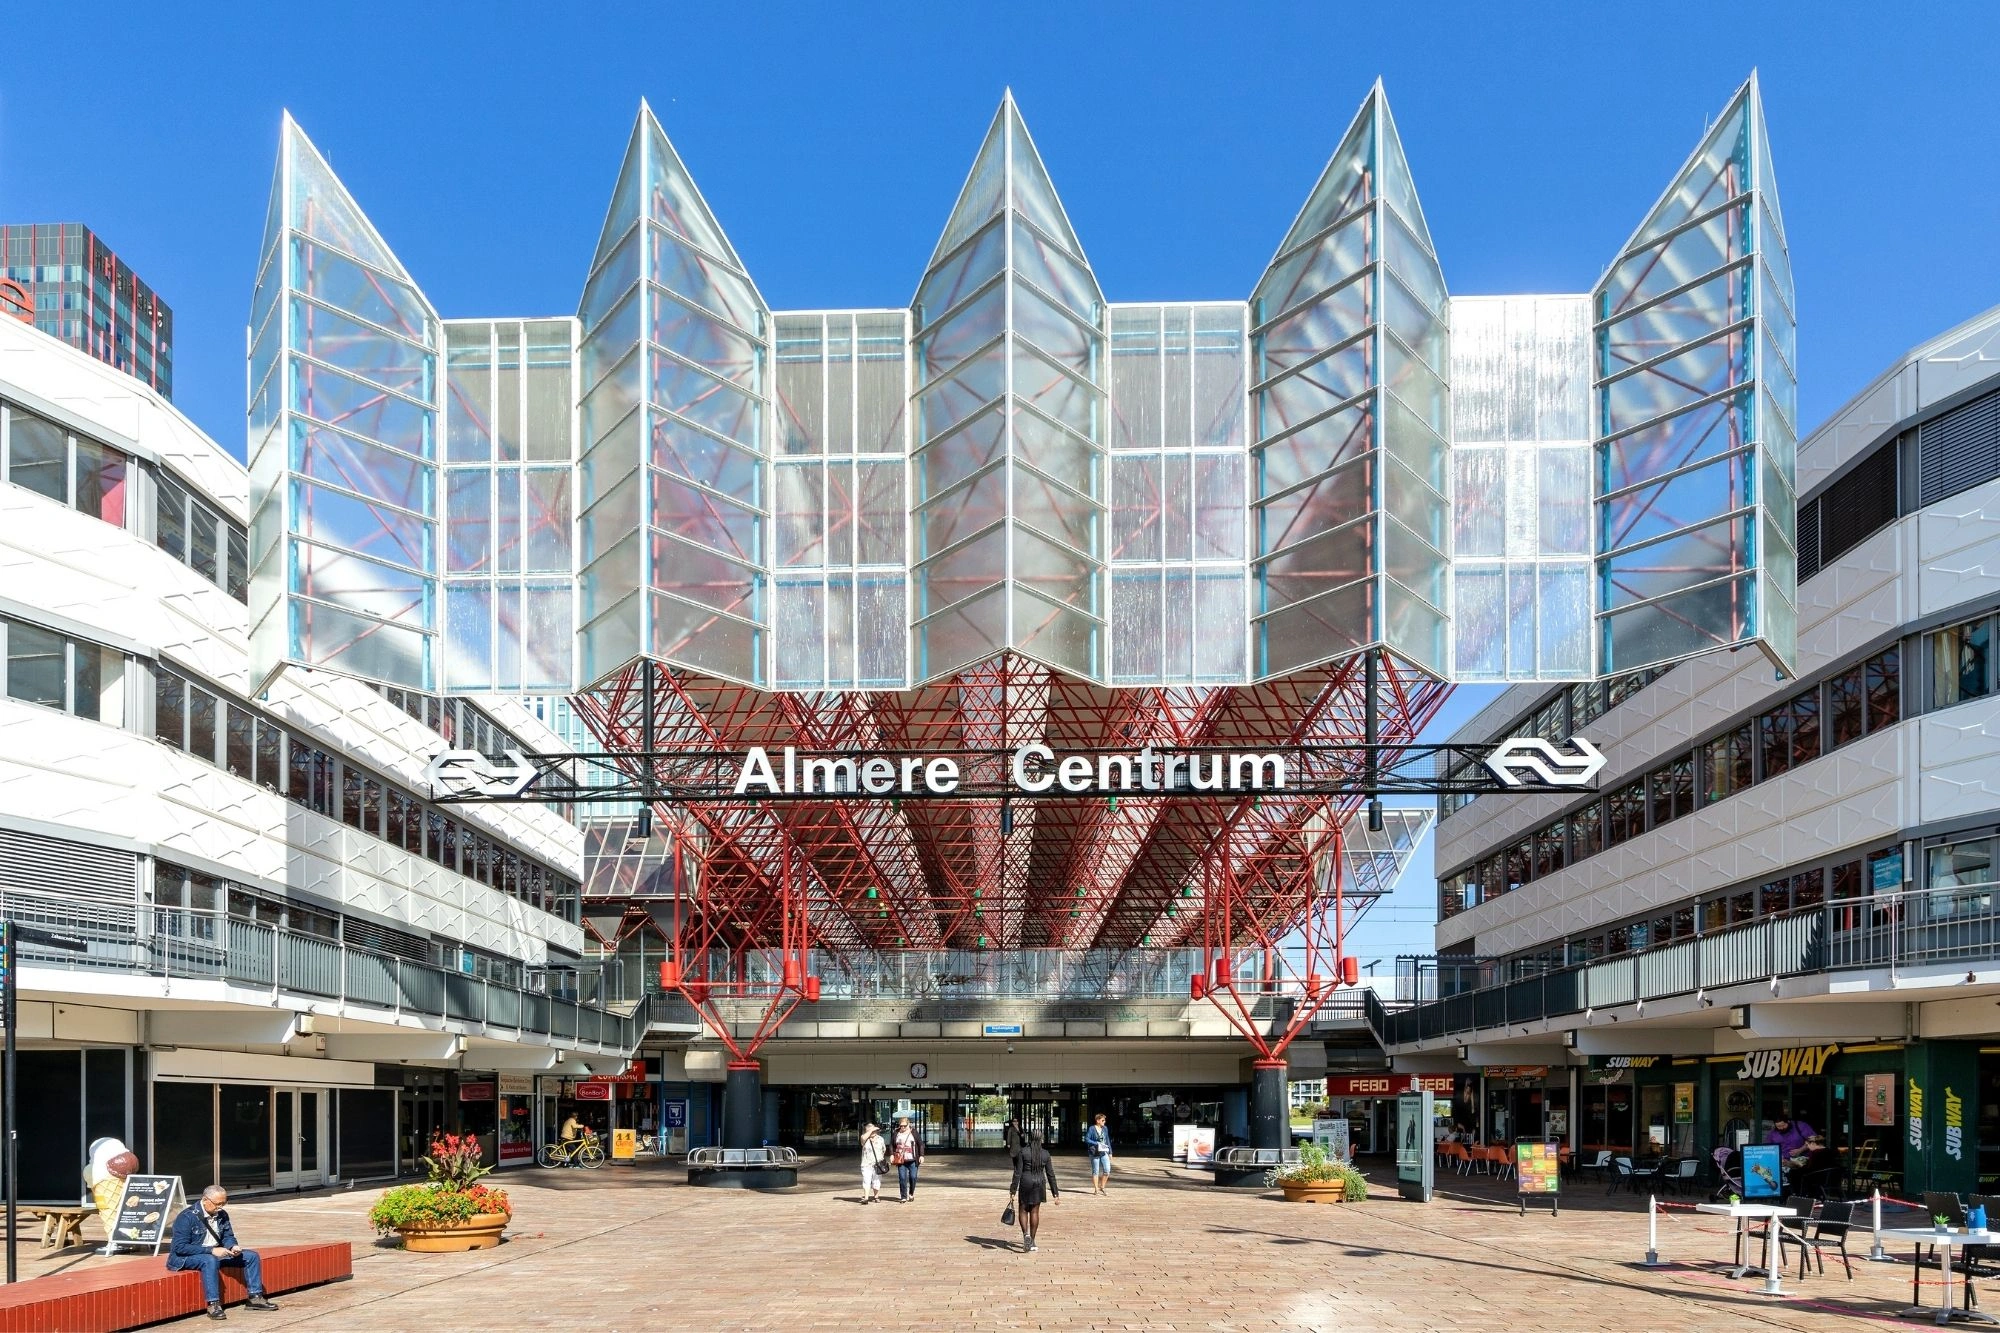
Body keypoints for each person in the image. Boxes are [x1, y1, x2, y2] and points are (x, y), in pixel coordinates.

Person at [166, 1186, 278, 1320]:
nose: (220, 1207)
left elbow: (228, 1236)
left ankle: (255, 1298)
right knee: (209, 1260)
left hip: (216, 1253)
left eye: (223, 1204)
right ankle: (213, 1304)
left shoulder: (222, 1214)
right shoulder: (186, 1217)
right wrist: (211, 1250)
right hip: (186, 1258)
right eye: (217, 1204)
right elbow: (180, 1247)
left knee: (251, 1256)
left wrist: (233, 1246)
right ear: (205, 1200)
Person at [1009, 1129, 1060, 1252]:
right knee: (1035, 1212)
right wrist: (1055, 1193)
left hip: (1025, 1182)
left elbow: (1017, 1172)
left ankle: (1025, 1234)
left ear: (1030, 1138)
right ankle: (1032, 1241)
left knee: (1023, 1209)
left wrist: (1013, 1190)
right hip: (1039, 1183)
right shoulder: (1045, 1154)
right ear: (1041, 1139)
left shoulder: (1023, 1152)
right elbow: (1050, 1174)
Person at [891, 1117, 924, 1201]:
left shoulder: (914, 1132)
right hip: (901, 1159)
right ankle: (903, 1196)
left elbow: (920, 1144)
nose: (902, 1127)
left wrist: (921, 1155)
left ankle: (911, 1193)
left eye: (904, 1126)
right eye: (901, 1126)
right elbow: (891, 1144)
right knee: (902, 1178)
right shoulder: (896, 1132)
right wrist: (891, 1154)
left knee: (913, 1177)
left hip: (912, 1159)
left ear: (908, 1124)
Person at [1084, 1112, 1113, 1195]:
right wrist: (1096, 1143)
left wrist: (1110, 1152)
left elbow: (1107, 1140)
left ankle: (1102, 1187)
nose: (1104, 1122)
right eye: (1103, 1120)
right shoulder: (1092, 1129)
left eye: (1104, 1120)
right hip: (1094, 1152)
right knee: (1095, 1171)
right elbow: (1087, 1139)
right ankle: (1096, 1189)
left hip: (1104, 1152)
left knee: (1107, 1169)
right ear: (1098, 1120)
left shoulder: (1105, 1129)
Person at [859, 1122, 888, 1203]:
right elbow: (863, 1138)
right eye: (870, 1131)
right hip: (866, 1164)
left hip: (878, 1164)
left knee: (877, 1181)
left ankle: (876, 1196)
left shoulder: (880, 1139)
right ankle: (866, 1198)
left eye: (873, 1131)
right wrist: (870, 1130)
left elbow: (884, 1150)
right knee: (866, 1180)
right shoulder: (864, 1138)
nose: (872, 1132)